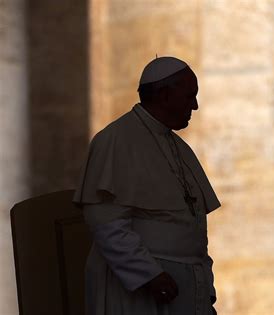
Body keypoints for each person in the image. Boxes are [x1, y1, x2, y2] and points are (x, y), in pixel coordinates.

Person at [72, 56, 221, 315]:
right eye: (189, 96)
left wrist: (205, 285)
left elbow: (194, 221)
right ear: (164, 95)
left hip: (186, 283)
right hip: (142, 289)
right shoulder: (115, 140)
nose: (195, 106)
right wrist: (148, 275)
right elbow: (106, 222)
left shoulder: (179, 148)